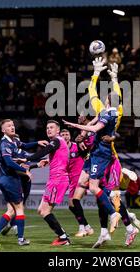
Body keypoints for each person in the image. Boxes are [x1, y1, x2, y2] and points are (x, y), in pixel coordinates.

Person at [63, 58, 122, 246]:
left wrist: (96, 73)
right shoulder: (116, 110)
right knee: (84, 183)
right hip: (96, 151)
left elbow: (92, 93)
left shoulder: (106, 111)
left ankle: (118, 217)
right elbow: (115, 95)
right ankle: (103, 230)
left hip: (106, 154)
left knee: (101, 190)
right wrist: (114, 78)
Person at [15, 120, 71, 246]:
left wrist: (27, 158)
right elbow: (46, 160)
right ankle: (63, 235)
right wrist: (32, 166)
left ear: (58, 130)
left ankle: (63, 238)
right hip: (55, 180)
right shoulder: (58, 145)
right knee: (41, 210)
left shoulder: (56, 141)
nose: (49, 130)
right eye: (47, 128)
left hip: (58, 180)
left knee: (45, 211)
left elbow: (43, 151)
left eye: (51, 127)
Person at [0, 119, 34, 246]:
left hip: (6, 179)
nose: (12, 127)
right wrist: (25, 170)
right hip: (10, 179)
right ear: (3, 130)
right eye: (9, 126)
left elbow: (25, 145)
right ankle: (21, 239)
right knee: (19, 208)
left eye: (13, 125)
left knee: (11, 210)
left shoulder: (14, 141)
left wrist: (38, 142)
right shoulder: (4, 143)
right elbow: (9, 162)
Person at [60, 128, 95, 237]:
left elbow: (87, 154)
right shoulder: (60, 150)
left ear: (70, 136)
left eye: (67, 134)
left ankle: (82, 228)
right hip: (70, 180)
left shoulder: (77, 146)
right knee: (71, 206)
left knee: (74, 202)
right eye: (63, 135)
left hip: (79, 178)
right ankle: (87, 227)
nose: (65, 136)